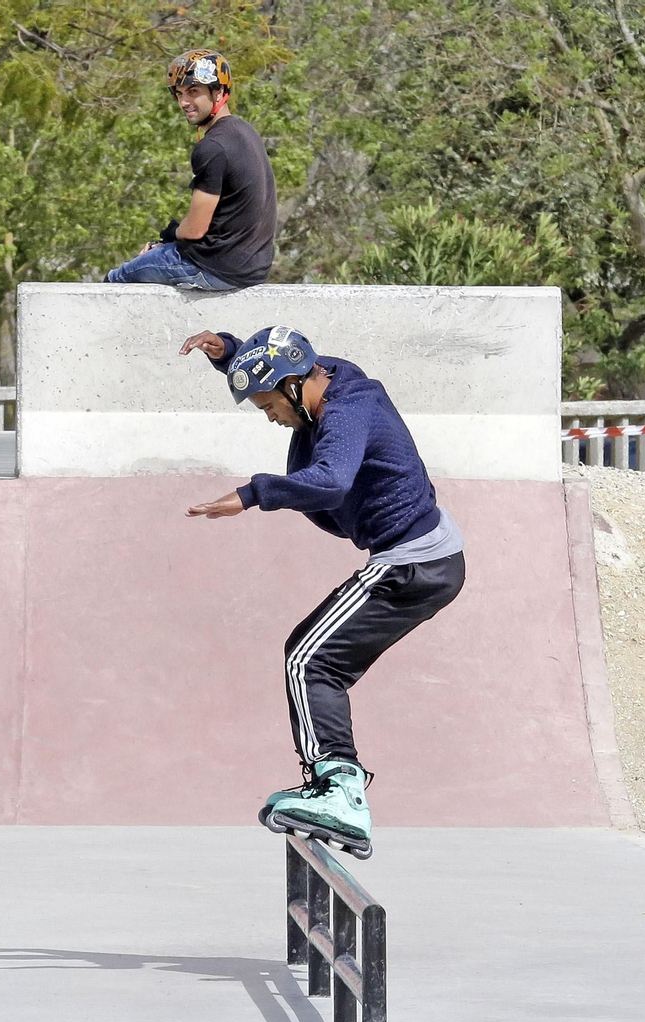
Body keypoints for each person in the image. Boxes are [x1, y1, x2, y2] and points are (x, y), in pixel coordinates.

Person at [179, 325, 467, 858]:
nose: (270, 416)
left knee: (309, 660)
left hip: (412, 564)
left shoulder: (345, 413)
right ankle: (335, 785)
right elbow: (283, 355)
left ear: (292, 387)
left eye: (269, 405)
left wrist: (251, 495)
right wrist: (228, 353)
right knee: (310, 656)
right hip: (427, 555)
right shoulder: (330, 374)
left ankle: (339, 792)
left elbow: (332, 479)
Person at [105, 51, 278, 291]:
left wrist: (171, 235)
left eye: (193, 91)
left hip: (216, 268)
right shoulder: (244, 131)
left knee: (117, 278)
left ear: (218, 92)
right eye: (179, 93)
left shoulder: (213, 147)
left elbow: (195, 230)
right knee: (159, 251)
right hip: (250, 267)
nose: (184, 102)